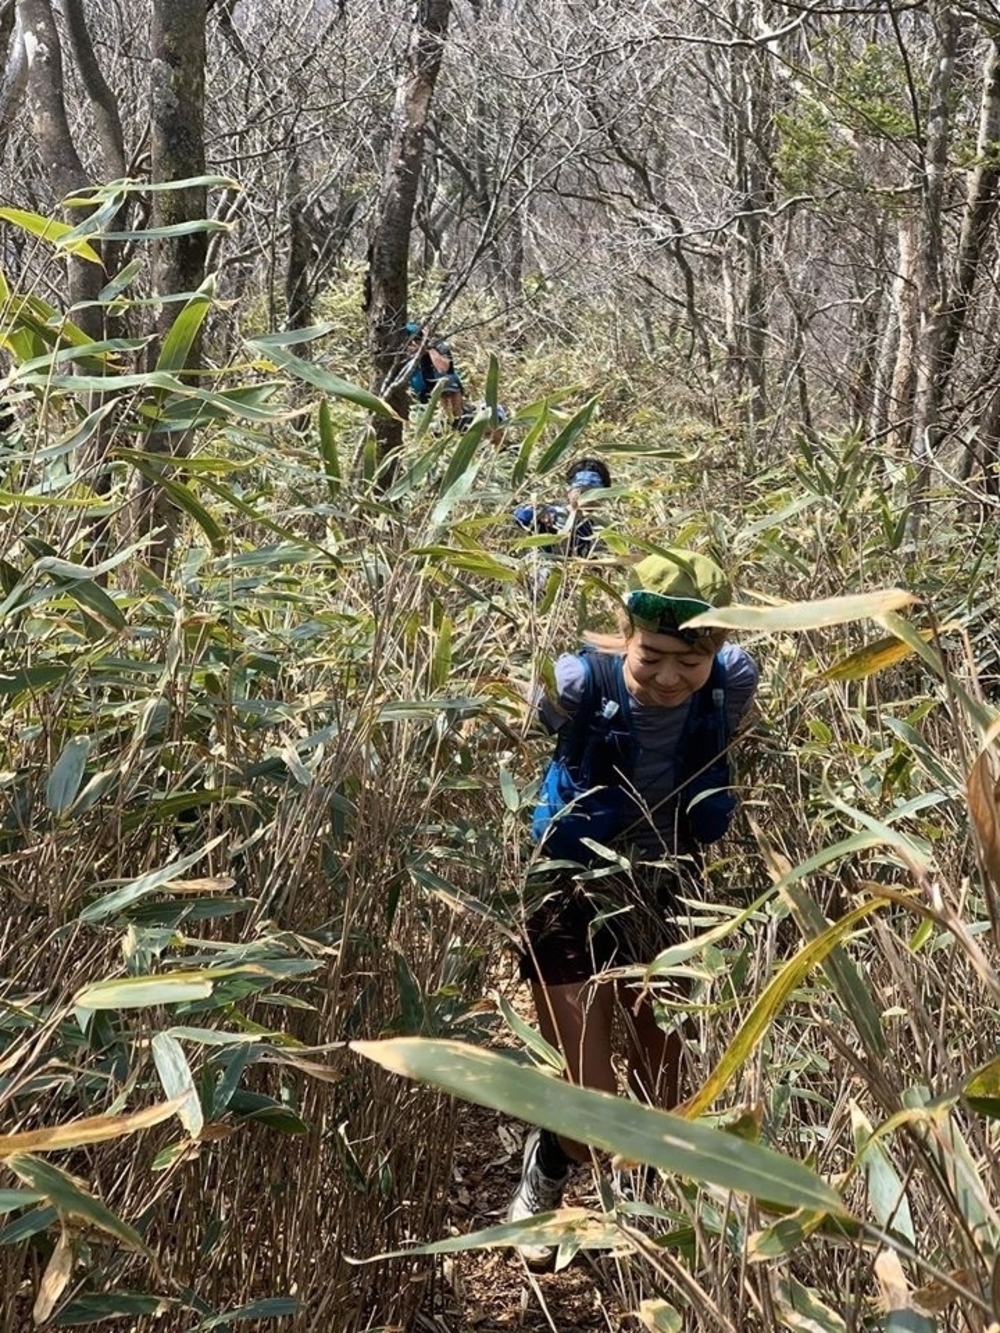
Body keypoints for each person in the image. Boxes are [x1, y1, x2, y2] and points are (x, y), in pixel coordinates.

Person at [506, 548, 759, 1266]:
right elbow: (517, 726)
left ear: (717, 648)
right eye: (653, 657)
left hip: (667, 882)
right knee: (592, 1108)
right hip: (568, 883)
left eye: (691, 659)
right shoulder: (578, 680)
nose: (671, 678)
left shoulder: (732, 679)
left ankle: (647, 1212)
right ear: (626, 632)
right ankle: (553, 1159)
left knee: (665, 1081)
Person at [512, 457, 612, 588]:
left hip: (575, 586)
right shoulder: (554, 514)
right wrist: (538, 512)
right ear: (569, 491)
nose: (585, 497)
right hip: (542, 580)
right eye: (581, 491)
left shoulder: (598, 527)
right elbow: (518, 516)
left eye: (592, 492)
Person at [404, 321, 467, 427]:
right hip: (415, 399)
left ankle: (456, 420)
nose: (414, 343)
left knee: (447, 383)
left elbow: (443, 369)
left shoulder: (438, 347)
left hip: (436, 390)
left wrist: (427, 348)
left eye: (418, 339)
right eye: (410, 340)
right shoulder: (399, 354)